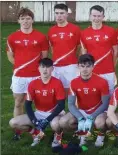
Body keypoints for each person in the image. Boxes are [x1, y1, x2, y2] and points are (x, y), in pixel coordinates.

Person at [7, 8, 49, 139]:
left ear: (32, 20)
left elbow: (44, 57)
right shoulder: (12, 37)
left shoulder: (41, 37)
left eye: (28, 18)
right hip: (19, 76)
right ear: (18, 20)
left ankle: (38, 129)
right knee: (18, 102)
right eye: (23, 18)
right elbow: (10, 56)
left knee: (38, 103)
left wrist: (35, 69)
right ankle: (18, 130)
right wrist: (20, 67)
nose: (25, 21)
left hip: (36, 76)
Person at [9, 58, 65, 147]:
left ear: (52, 69)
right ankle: (37, 133)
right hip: (39, 113)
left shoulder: (57, 83)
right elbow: (27, 105)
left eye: (48, 67)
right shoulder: (33, 84)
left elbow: (61, 105)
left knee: (55, 125)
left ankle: (58, 135)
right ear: (38, 68)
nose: (45, 70)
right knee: (13, 122)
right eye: (42, 67)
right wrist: (34, 121)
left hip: (55, 113)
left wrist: (47, 120)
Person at [58, 54, 110, 147]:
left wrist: (91, 117)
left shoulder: (102, 81)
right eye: (82, 66)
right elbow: (70, 104)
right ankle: (81, 132)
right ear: (78, 66)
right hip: (83, 110)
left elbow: (105, 104)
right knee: (63, 122)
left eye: (88, 66)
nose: (85, 69)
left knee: (100, 123)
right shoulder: (74, 82)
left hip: (98, 111)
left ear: (93, 67)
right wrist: (80, 118)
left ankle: (100, 135)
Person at [80, 5, 118, 94]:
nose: (96, 18)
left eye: (99, 16)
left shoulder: (111, 31)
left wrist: (112, 66)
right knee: (93, 95)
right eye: (94, 16)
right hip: (92, 70)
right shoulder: (84, 33)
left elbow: (116, 51)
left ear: (103, 17)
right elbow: (84, 54)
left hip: (108, 70)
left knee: (109, 95)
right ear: (90, 16)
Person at [48, 3, 81, 91]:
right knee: (56, 93)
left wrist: (73, 59)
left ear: (67, 14)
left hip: (71, 66)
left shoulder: (75, 29)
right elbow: (52, 48)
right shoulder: (51, 30)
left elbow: (79, 47)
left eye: (62, 13)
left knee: (71, 93)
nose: (59, 16)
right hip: (56, 66)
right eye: (57, 13)